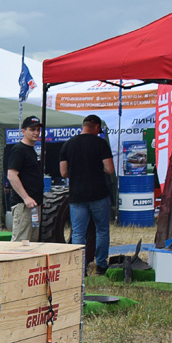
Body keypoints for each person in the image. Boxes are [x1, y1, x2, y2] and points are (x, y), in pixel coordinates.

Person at [61, 114, 116, 275]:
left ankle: (80, 268)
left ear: (83, 126)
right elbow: (110, 169)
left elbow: (63, 172)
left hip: (77, 195)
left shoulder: (68, 145)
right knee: (102, 230)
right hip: (99, 194)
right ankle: (100, 266)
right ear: (97, 127)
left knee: (78, 232)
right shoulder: (101, 144)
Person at [6, 115, 44, 242]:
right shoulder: (19, 150)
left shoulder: (31, 150)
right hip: (24, 205)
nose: (36, 132)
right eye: (32, 129)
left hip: (33, 204)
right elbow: (11, 175)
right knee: (21, 243)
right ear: (23, 131)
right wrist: (26, 197)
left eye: (38, 129)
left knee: (32, 243)